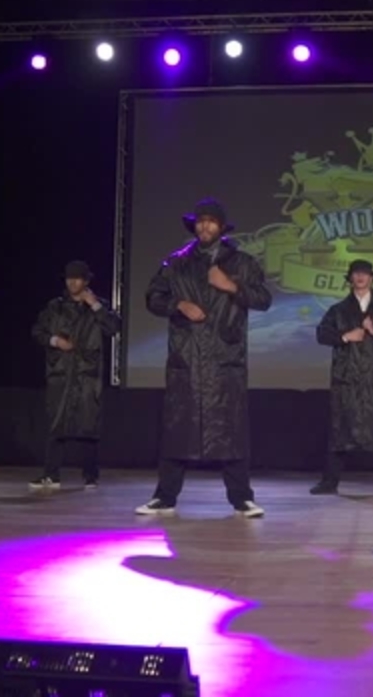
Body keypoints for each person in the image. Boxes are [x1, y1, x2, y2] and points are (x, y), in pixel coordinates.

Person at [136, 199, 272, 517]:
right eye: (200, 221)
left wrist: (230, 285)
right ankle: (164, 497)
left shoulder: (242, 263)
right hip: (186, 358)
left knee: (231, 431)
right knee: (177, 430)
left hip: (225, 359)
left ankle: (242, 499)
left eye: (211, 221)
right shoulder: (176, 262)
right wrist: (179, 305)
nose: (204, 226)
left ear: (221, 227)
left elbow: (264, 299)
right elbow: (153, 297)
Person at [310, 259, 373, 496]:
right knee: (340, 431)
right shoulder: (338, 310)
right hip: (347, 379)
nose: (360, 277)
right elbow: (322, 334)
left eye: (365, 274)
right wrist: (345, 336)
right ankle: (329, 482)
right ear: (350, 279)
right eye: (356, 273)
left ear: (372, 279)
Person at [29, 260, 121, 490]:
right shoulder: (55, 307)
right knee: (56, 424)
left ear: (86, 281)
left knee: (88, 425)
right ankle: (51, 475)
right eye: (69, 278)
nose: (72, 282)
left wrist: (95, 305)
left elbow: (113, 328)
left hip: (87, 374)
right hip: (60, 372)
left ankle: (90, 476)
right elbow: (38, 331)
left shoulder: (98, 306)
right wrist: (55, 341)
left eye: (77, 278)